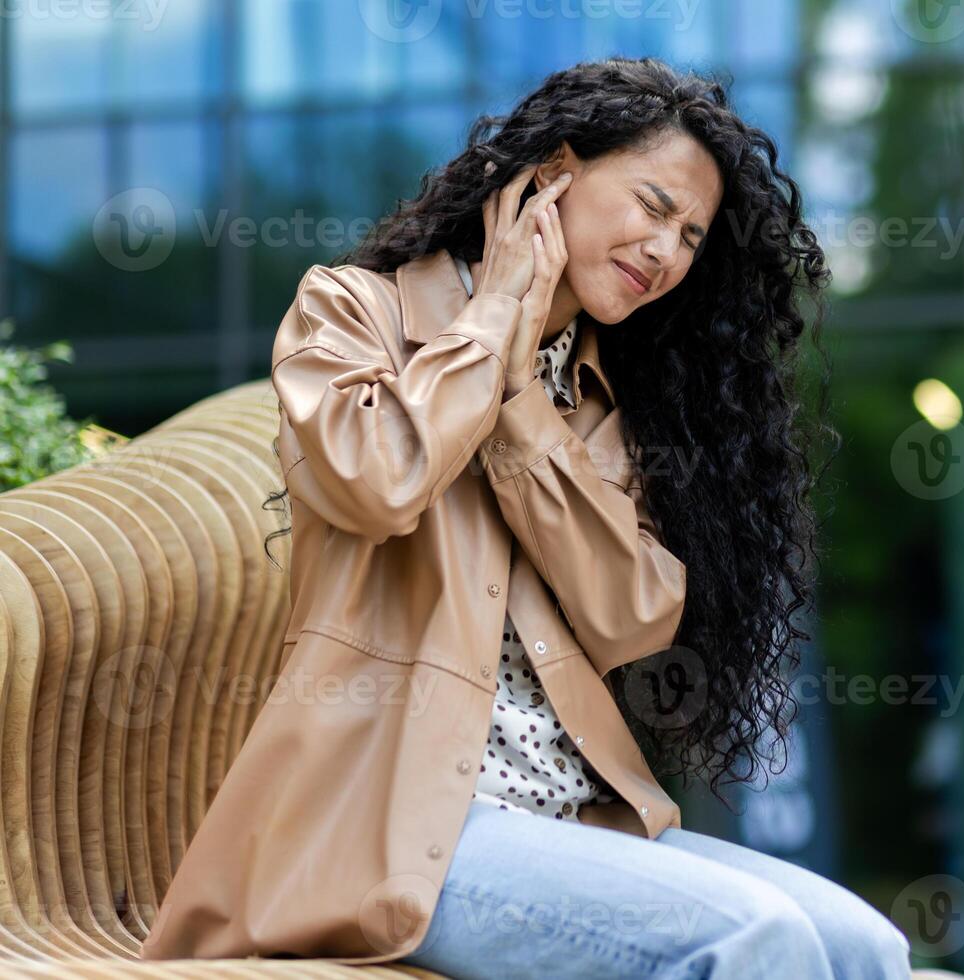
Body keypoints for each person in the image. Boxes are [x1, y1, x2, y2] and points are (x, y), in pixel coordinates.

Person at [142, 56, 908, 978]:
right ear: (554, 176)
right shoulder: (352, 311)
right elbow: (373, 481)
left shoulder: (600, 398)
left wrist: (522, 401)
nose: (666, 252)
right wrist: (496, 318)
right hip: (396, 827)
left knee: (868, 946)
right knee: (757, 939)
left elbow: (637, 615)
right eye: (654, 207)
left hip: (572, 818)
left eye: (692, 236)